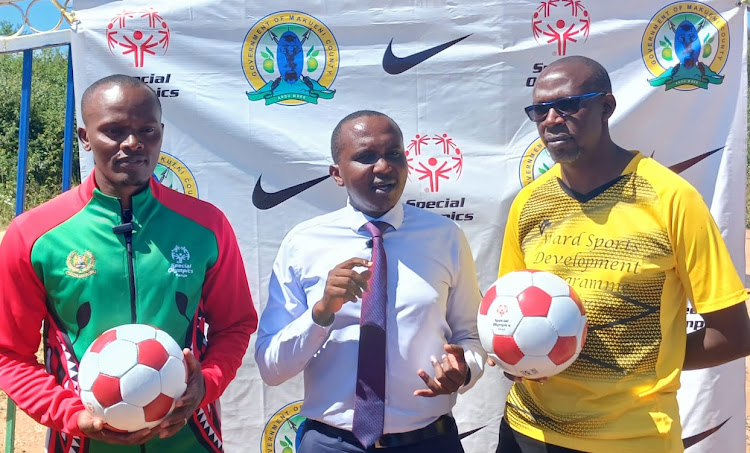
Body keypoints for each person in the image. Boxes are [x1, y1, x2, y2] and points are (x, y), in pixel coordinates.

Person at [496, 55, 750, 453]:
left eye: (567, 105)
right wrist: (519, 355)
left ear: (606, 107)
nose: (551, 119)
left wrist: (643, 360)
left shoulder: (671, 199)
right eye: (540, 110)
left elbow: (734, 335)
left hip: (633, 439)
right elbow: (505, 316)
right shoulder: (529, 203)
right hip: (527, 432)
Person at [0, 74, 258, 452]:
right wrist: (73, 416)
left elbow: (235, 324)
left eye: (147, 130)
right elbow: (9, 353)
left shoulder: (206, 225)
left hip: (191, 441)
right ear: (85, 137)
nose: (133, 143)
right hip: (83, 443)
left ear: (161, 134)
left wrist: (208, 383)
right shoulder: (35, 235)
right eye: (114, 130)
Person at [255, 110, 486, 452]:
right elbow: (271, 368)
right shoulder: (303, 243)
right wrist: (320, 313)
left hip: (429, 441)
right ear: (337, 174)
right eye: (365, 157)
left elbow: (472, 335)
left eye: (394, 154)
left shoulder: (445, 237)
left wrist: (464, 369)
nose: (383, 167)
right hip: (332, 444)